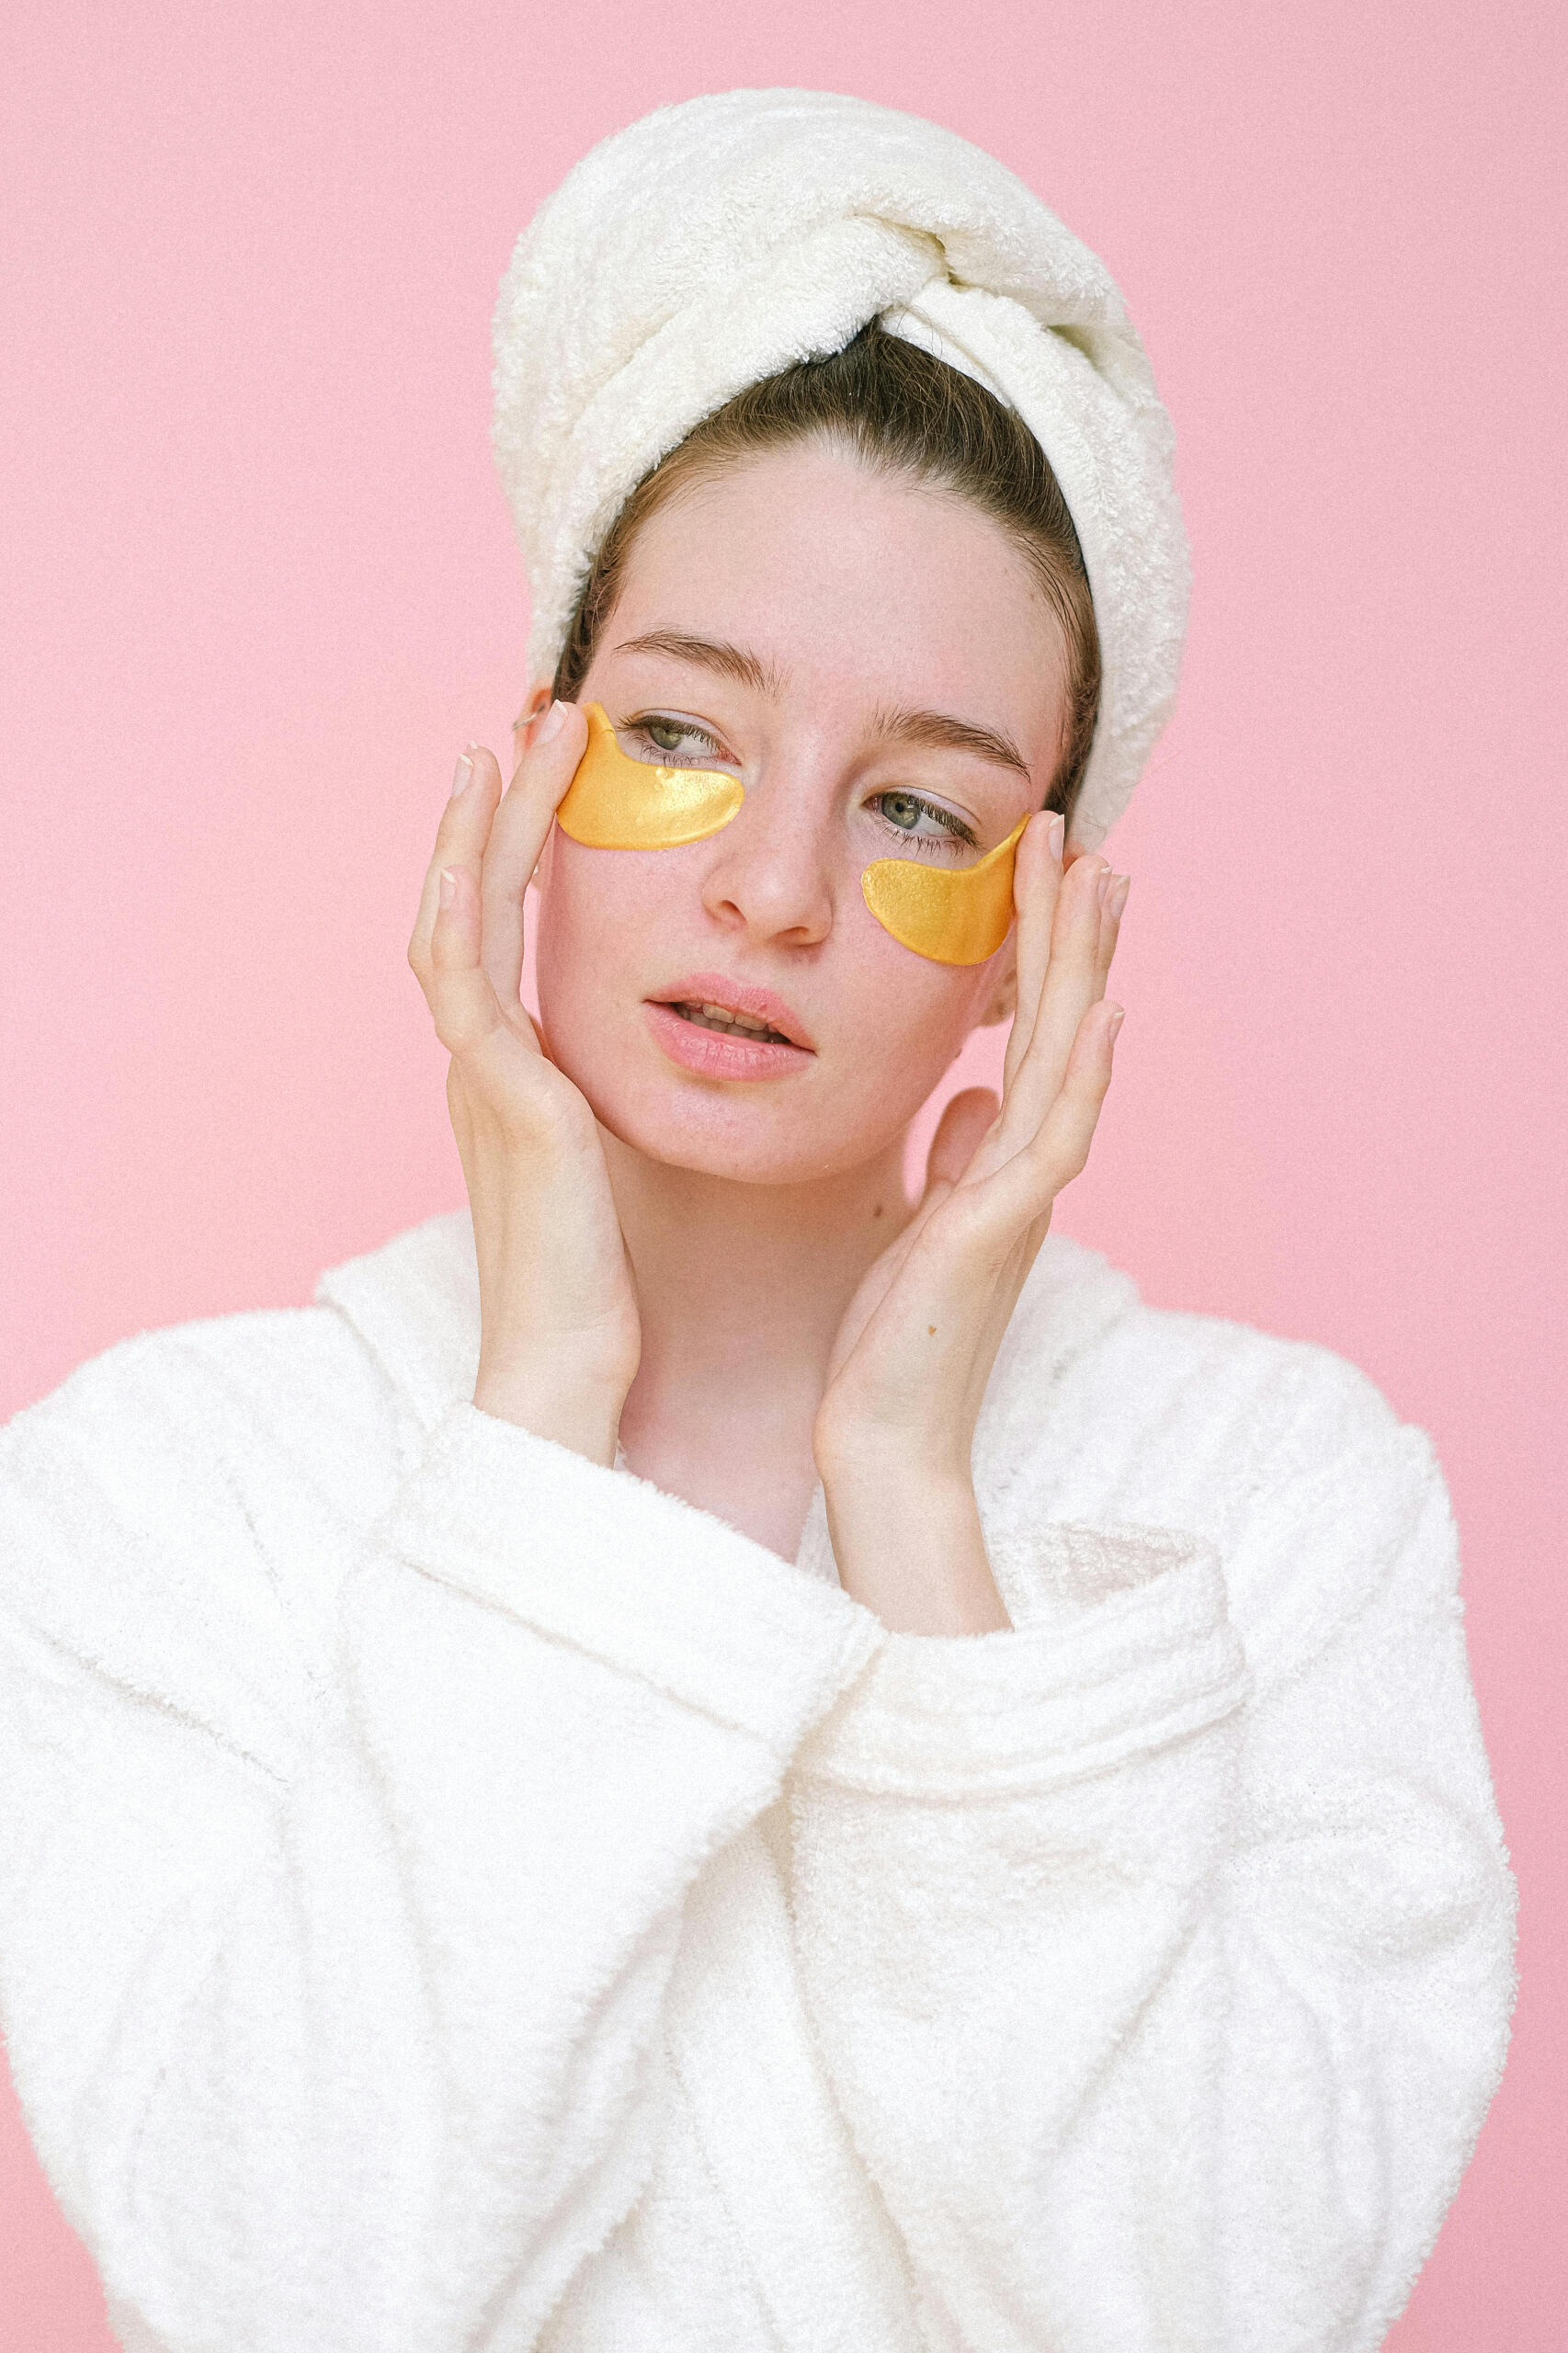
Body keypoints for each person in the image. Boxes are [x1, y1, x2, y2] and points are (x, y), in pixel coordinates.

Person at [0, 88, 1514, 2353]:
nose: (775, 886)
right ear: (534, 767)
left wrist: (911, 1500)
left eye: (918, 808)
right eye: (684, 736)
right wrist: (536, 1423)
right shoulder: (164, 1493)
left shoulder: (1275, 1507)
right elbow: (279, 2301)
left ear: (1034, 932)